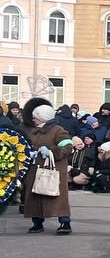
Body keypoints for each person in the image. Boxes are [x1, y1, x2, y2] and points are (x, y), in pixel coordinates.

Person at [20, 97, 81, 234]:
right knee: (35, 196)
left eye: (35, 117)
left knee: (57, 197)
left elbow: (67, 147)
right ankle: (37, 223)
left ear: (42, 118)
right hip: (35, 169)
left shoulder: (58, 130)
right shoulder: (33, 131)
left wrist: (51, 152)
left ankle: (65, 222)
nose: (33, 120)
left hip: (54, 170)